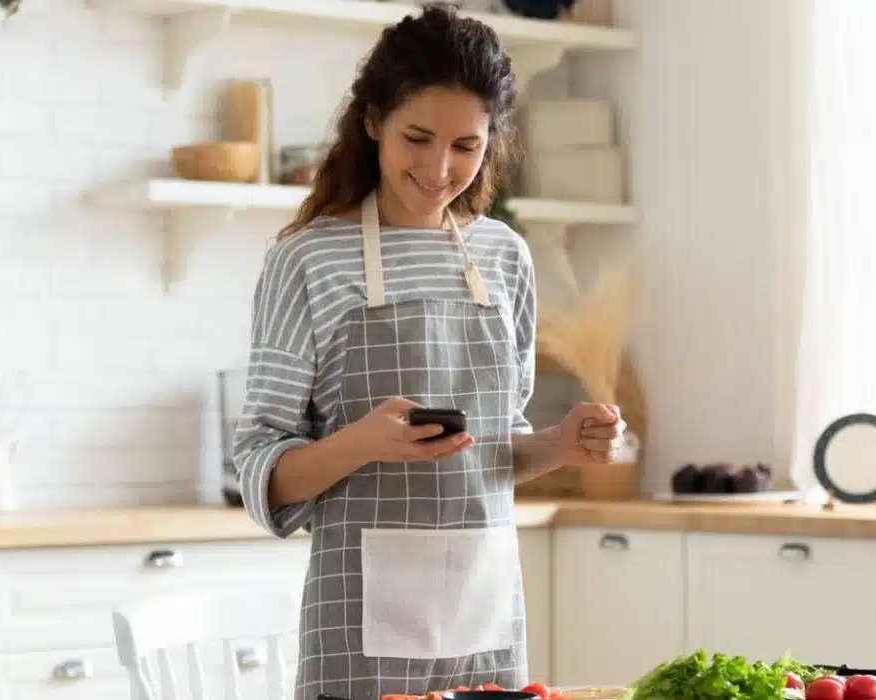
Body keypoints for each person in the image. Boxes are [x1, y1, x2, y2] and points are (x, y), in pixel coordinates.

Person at [233, 4, 627, 700]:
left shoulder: (504, 256)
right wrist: (361, 442)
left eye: (466, 146)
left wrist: (563, 444)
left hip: (484, 617)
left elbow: (494, 454)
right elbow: (263, 469)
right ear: (372, 122)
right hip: (357, 630)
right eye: (418, 137)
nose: (440, 169)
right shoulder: (307, 259)